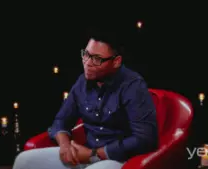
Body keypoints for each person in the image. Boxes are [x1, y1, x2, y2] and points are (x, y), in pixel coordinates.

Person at [13, 24, 158, 169]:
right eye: (86, 54)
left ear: (116, 61)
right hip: (84, 155)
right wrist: (65, 146)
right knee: (24, 161)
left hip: (119, 160)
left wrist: (94, 154)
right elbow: (61, 121)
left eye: (96, 59)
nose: (87, 63)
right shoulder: (82, 81)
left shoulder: (133, 86)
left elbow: (144, 139)